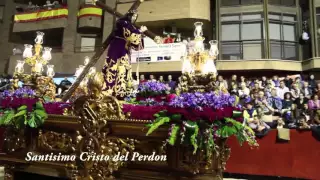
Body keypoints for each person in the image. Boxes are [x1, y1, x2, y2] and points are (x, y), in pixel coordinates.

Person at [102, 10, 147, 100]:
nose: (134, 18)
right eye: (133, 16)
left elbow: (136, 44)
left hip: (124, 49)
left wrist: (140, 34)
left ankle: (122, 91)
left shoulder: (131, 26)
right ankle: (111, 90)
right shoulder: (122, 22)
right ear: (129, 15)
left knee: (124, 69)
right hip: (117, 47)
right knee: (114, 68)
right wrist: (139, 31)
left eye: (136, 17)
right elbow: (129, 35)